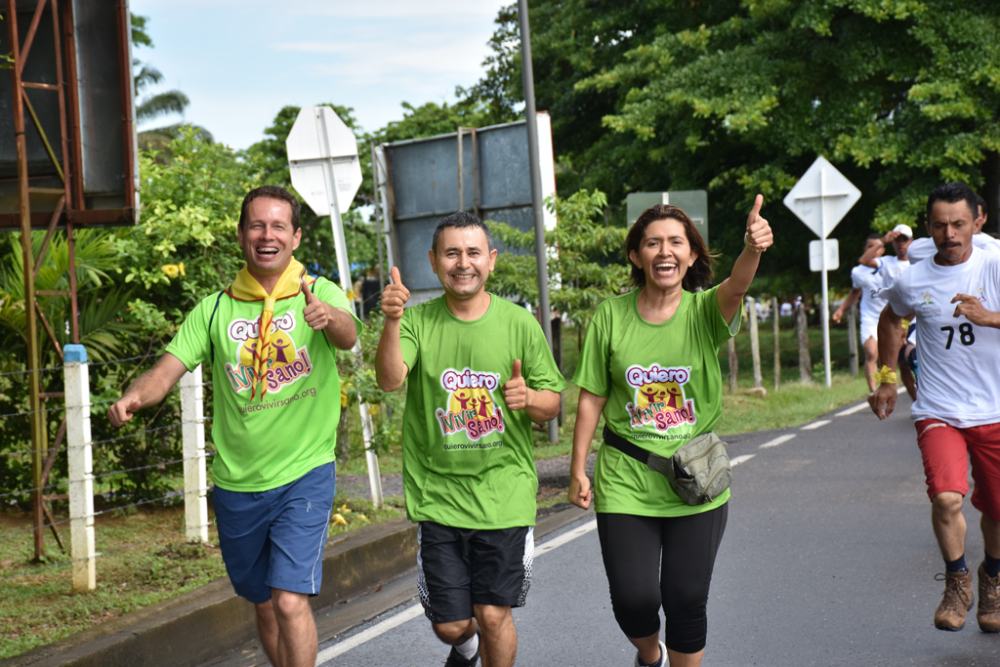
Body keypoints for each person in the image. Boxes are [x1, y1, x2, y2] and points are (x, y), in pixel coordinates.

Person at [107, 186, 361, 667]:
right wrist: (134, 397)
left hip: (305, 473)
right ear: (242, 235)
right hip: (237, 484)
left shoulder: (316, 292)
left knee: (289, 599)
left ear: (296, 236)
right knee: (264, 603)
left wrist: (328, 318)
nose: (267, 235)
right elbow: (165, 370)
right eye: (257, 226)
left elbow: (348, 335)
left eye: (278, 226)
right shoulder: (215, 309)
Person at [568, 197, 773, 667]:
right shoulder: (610, 316)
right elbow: (592, 397)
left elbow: (738, 286)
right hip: (625, 476)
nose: (665, 251)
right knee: (633, 600)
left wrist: (752, 248)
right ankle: (650, 654)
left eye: (676, 242)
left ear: (693, 255)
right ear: (636, 255)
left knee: (685, 597)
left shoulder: (706, 312)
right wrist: (578, 468)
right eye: (653, 242)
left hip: (695, 479)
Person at [374, 211, 566, 667]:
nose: (464, 263)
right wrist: (392, 321)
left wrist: (530, 397)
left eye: (473, 252)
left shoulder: (519, 323)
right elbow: (389, 379)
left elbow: (553, 402)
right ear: (434, 261)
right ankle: (467, 648)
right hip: (438, 494)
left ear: (491, 260)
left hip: (504, 492)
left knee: (492, 611)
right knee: (451, 625)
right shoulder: (417, 321)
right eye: (452, 253)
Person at [870, 181, 1000, 634]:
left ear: (978, 221)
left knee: (999, 509)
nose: (950, 234)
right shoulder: (914, 277)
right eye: (940, 225)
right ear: (928, 227)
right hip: (939, 408)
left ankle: (992, 580)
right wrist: (888, 379)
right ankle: (958, 580)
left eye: (959, 224)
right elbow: (892, 318)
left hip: (994, 409)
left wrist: (990, 317)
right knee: (946, 497)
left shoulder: (995, 264)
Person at [832, 234, 887, 392]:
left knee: (886, 356)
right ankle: (874, 392)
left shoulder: (890, 266)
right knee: (871, 353)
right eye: (870, 247)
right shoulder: (858, 271)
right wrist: (841, 310)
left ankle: (887, 386)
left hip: (889, 317)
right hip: (870, 317)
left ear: (882, 250)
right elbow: (856, 291)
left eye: (877, 246)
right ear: (865, 249)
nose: (874, 250)